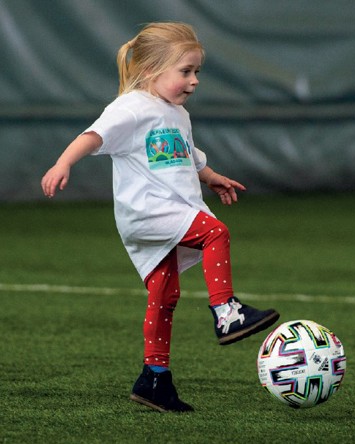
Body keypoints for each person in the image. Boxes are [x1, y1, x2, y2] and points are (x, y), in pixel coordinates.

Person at [41, 22, 279, 413]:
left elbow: (185, 156)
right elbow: (94, 135)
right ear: (151, 71)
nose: (194, 80)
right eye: (185, 71)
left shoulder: (176, 113)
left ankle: (154, 380)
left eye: (197, 72)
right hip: (148, 212)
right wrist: (64, 162)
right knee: (215, 232)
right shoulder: (132, 107)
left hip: (166, 215)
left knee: (165, 295)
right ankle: (226, 312)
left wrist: (212, 177)